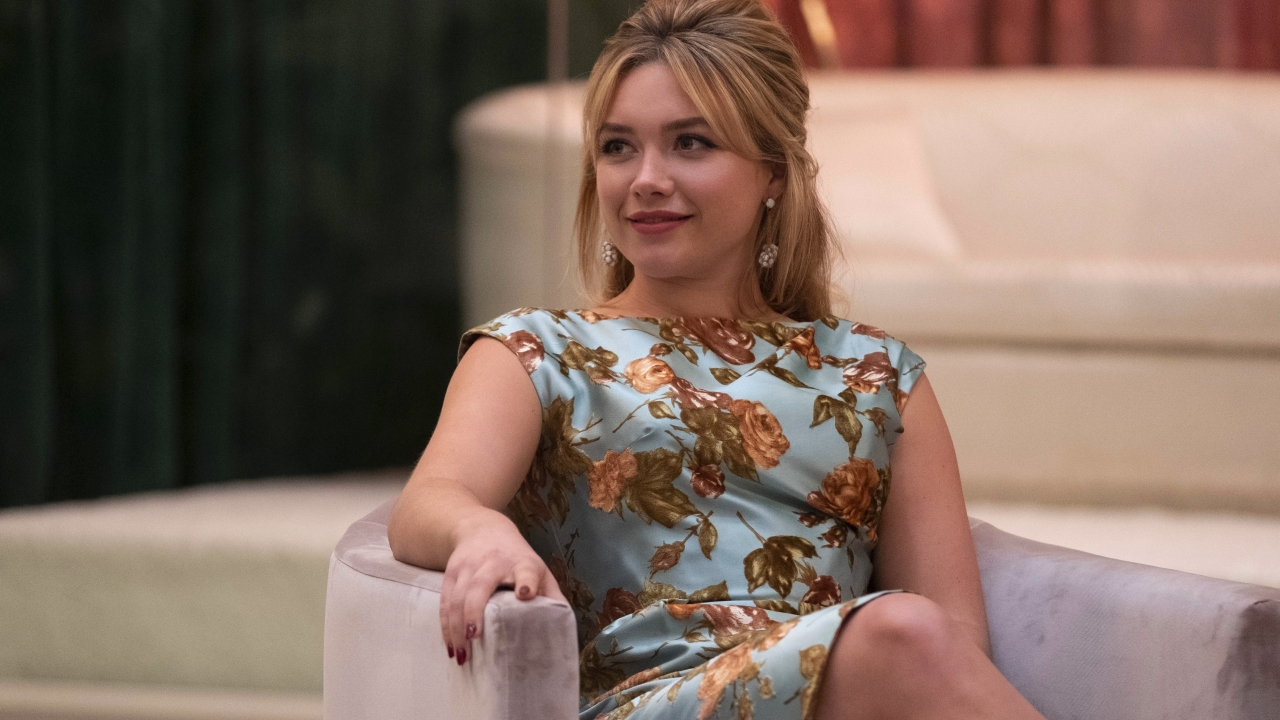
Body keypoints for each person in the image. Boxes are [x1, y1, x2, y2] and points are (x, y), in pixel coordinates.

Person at [388, 1, 1047, 717]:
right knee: (900, 631)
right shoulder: (537, 351)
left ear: (773, 172)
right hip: (646, 702)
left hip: (847, 697)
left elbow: (955, 641)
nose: (646, 178)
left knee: (909, 632)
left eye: (690, 143)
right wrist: (478, 529)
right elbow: (428, 500)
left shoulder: (876, 375)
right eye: (618, 147)